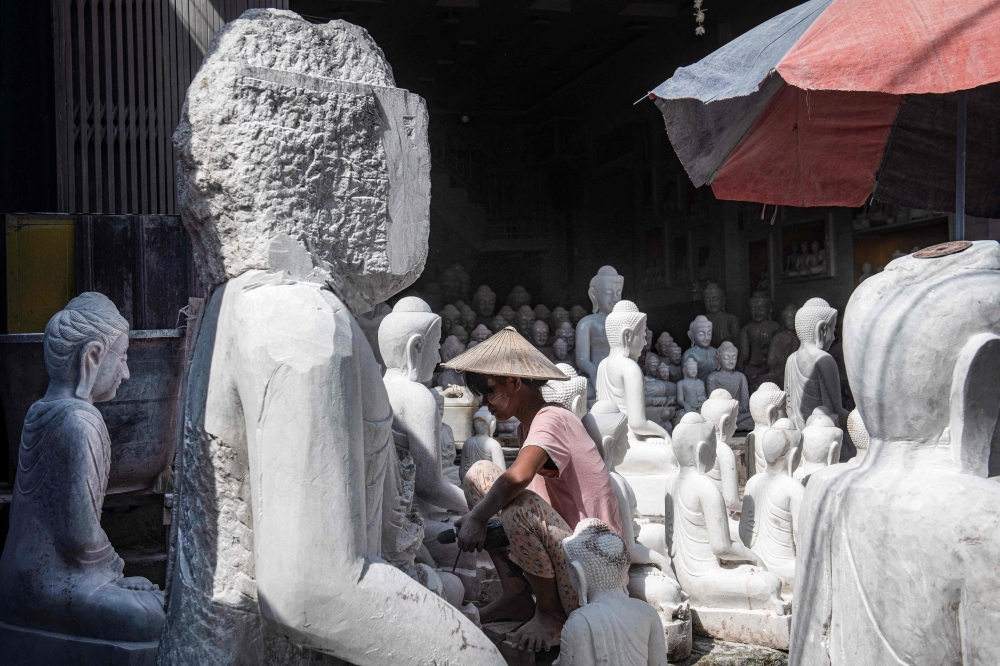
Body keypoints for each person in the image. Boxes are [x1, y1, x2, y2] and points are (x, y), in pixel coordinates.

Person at [443, 327, 624, 654]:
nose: (485, 402)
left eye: (489, 391)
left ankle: (551, 612)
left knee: (516, 505)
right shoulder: (531, 424)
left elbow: (519, 478)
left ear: (514, 383)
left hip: (592, 574)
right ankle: (516, 596)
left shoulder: (552, 418)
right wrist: (482, 519)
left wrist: (478, 517)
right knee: (479, 475)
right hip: (565, 553)